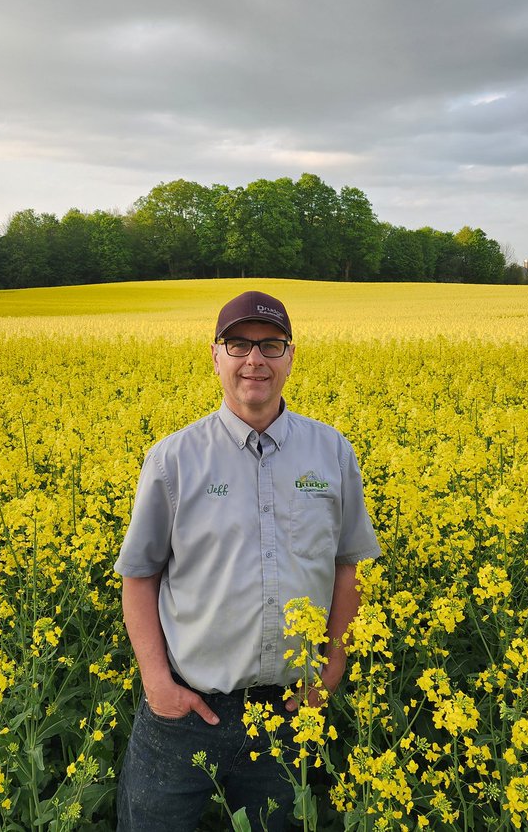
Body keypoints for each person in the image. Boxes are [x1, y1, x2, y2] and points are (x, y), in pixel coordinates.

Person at [114, 290, 380, 832]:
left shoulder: (332, 452)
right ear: (215, 356)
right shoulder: (173, 459)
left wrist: (332, 668)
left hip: (289, 712)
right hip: (185, 712)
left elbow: (348, 565)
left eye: (270, 345)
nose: (254, 359)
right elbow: (139, 576)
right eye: (238, 345)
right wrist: (157, 683)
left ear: (290, 356)